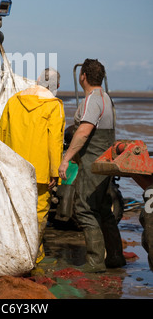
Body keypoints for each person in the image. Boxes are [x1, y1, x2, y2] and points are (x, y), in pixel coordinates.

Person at [58, 59, 126, 273]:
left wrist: (66, 158)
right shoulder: (106, 99)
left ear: (83, 76)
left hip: (92, 164)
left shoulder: (93, 100)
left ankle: (95, 262)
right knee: (104, 209)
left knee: (85, 209)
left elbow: (84, 131)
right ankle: (115, 257)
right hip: (105, 163)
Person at [0, 68, 65, 264]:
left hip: (13, 169)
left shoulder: (13, 101)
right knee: (38, 213)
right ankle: (33, 255)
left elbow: (0, 135)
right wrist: (54, 173)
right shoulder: (54, 106)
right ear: (56, 87)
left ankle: (11, 252)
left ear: (36, 81)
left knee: (13, 209)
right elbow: (55, 141)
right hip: (40, 172)